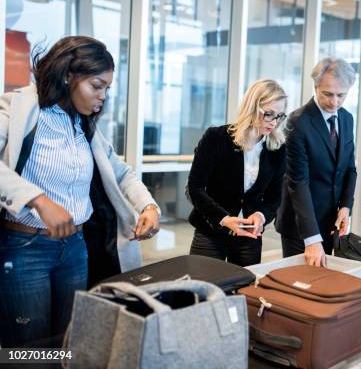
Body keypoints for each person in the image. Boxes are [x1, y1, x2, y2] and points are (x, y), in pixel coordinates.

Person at [0, 36, 160, 347]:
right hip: (25, 248)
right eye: (96, 86)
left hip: (75, 249)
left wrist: (148, 206)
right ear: (67, 76)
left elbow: (123, 172)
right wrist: (38, 200)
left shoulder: (84, 125)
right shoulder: (16, 108)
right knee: (28, 349)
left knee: (71, 340)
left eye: (107, 89)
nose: (103, 97)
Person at [187, 79, 287, 266]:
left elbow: (274, 198)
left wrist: (261, 216)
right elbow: (195, 188)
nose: (274, 122)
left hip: (249, 236)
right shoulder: (216, 138)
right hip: (210, 233)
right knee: (202, 290)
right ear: (252, 107)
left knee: (243, 291)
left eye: (279, 116)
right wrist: (224, 219)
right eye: (269, 114)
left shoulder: (277, 148)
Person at [275, 57, 358, 266]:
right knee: (298, 288)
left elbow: (350, 169)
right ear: (315, 86)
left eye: (342, 95)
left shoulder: (347, 118)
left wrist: (346, 207)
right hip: (301, 224)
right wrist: (311, 239)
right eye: (328, 94)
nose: (335, 102)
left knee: (323, 284)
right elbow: (298, 182)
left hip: (330, 221)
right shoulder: (298, 121)